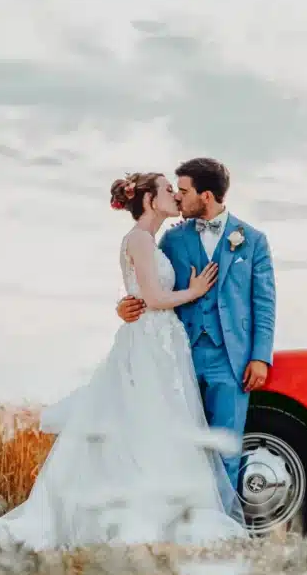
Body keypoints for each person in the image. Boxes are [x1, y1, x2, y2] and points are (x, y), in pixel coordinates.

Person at [0, 171, 249, 552]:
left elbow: (140, 294)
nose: (173, 193)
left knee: (155, 424)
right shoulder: (138, 239)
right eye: (166, 190)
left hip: (162, 343)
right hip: (150, 342)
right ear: (151, 201)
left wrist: (156, 296)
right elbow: (152, 299)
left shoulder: (150, 241)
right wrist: (194, 290)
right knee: (147, 421)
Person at [116, 157, 275, 492]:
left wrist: (260, 356)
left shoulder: (254, 240)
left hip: (231, 361)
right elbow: (147, 282)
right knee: (182, 448)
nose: (178, 198)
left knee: (226, 448)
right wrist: (124, 306)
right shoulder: (172, 240)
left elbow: (264, 302)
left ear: (206, 196)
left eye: (184, 191)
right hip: (178, 355)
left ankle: (228, 531)